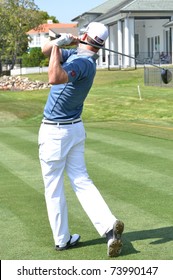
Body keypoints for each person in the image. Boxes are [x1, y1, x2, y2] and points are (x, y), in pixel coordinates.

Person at [38, 22, 124, 258]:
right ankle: (109, 226)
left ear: (86, 35)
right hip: (74, 129)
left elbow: (54, 76)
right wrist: (58, 43)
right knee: (81, 180)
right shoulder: (79, 55)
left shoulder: (81, 63)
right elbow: (46, 50)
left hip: (56, 132)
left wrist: (59, 44)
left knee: (53, 187)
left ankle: (62, 240)